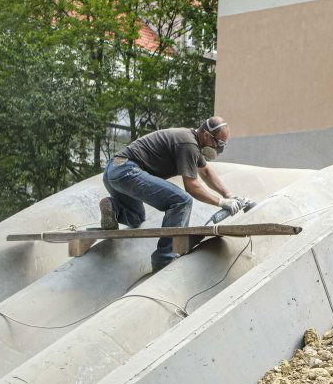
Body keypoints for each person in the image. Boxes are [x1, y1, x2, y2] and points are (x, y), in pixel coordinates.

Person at [100, 116, 246, 272]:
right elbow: (192, 186)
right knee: (182, 201)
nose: (219, 149)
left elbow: (206, 172)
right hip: (127, 171)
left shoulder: (190, 140)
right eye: (218, 143)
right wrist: (220, 202)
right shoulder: (189, 145)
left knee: (136, 218)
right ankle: (165, 258)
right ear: (206, 135)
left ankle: (113, 207)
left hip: (113, 170)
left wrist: (228, 195)